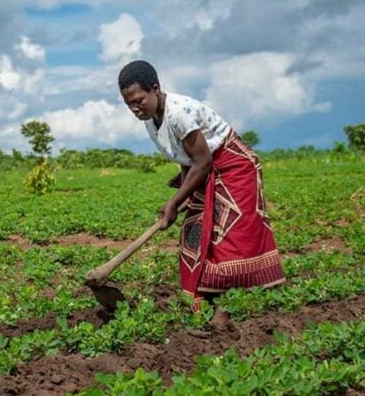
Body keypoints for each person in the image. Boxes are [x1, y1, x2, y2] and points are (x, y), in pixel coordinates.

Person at [117, 60, 285, 326]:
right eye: (129, 104)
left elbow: (203, 161)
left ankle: (225, 309)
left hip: (233, 167)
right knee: (196, 232)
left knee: (228, 236)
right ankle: (204, 303)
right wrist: (183, 198)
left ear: (155, 89)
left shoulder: (178, 113)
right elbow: (186, 158)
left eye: (139, 100)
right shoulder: (151, 119)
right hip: (203, 171)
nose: (135, 108)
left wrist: (174, 201)